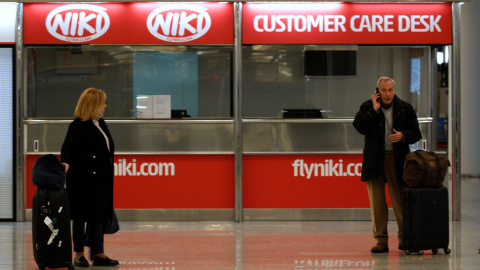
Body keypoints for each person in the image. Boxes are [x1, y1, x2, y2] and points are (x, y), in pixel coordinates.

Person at [353, 77, 421, 253]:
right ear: (378, 91)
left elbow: (416, 133)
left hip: (397, 159)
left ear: (394, 90)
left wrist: (403, 136)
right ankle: (381, 241)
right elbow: (359, 126)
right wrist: (374, 111)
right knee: (377, 202)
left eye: (390, 90)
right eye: (384, 90)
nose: (388, 94)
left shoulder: (405, 108)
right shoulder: (368, 107)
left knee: (400, 201)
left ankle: (404, 239)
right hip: (375, 159)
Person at [61, 87, 119, 267]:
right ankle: (79, 254)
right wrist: (65, 165)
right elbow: (67, 152)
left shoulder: (101, 123)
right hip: (81, 179)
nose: (105, 106)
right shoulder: (77, 126)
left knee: (99, 216)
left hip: (101, 179)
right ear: (93, 105)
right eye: (102, 103)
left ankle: (98, 253)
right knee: (80, 218)